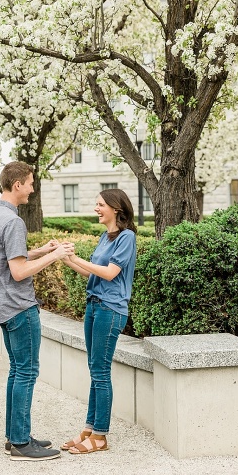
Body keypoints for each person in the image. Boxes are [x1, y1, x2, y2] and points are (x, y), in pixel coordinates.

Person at [0, 161, 73, 461]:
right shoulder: (14, 221)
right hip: (20, 307)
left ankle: (14, 436)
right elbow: (19, 272)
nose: (33, 189)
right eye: (31, 183)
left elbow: (9, 259)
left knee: (16, 371)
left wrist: (41, 251)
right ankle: (21, 443)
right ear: (18, 184)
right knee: (27, 372)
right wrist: (57, 255)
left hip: (3, 307)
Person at [60, 188, 137, 454]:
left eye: (100, 204)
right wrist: (67, 258)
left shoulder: (126, 238)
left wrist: (77, 257)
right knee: (95, 371)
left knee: (101, 373)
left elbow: (109, 272)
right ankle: (89, 429)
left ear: (116, 209)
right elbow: (90, 273)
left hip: (110, 309)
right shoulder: (106, 237)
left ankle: (100, 436)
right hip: (94, 306)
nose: (96, 208)